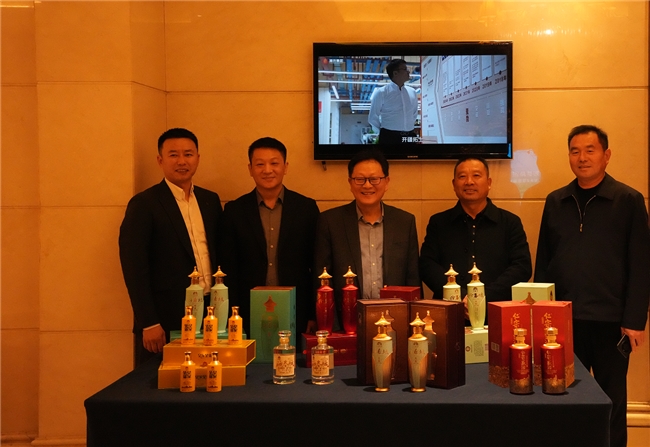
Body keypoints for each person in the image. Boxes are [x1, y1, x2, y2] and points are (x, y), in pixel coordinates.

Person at [534, 125, 650, 447]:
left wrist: (635, 320)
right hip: (565, 321)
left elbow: (641, 264)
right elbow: (543, 262)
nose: (582, 158)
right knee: (564, 397)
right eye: (575, 151)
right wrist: (542, 315)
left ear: (606, 155)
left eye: (590, 150)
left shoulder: (628, 200)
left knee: (612, 401)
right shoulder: (556, 201)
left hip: (612, 322)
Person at [119, 128, 222, 366]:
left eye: (188, 154)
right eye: (174, 155)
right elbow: (134, 267)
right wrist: (148, 322)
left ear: (198, 158)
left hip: (209, 312)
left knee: (208, 378)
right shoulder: (144, 204)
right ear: (160, 160)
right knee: (161, 383)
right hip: (165, 319)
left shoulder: (210, 201)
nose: (182, 161)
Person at [221, 137, 320, 336]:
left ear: (285, 167)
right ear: (250, 169)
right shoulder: (234, 211)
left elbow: (315, 265)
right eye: (260, 164)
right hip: (248, 310)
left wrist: (313, 313)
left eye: (274, 163)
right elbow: (228, 268)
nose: (267, 170)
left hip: (296, 309)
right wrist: (233, 314)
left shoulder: (306, 208)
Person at [315, 149, 420, 327]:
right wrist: (333, 329)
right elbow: (323, 280)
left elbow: (412, 279)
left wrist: (411, 325)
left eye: (374, 179)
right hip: (347, 324)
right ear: (350, 182)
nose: (367, 185)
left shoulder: (404, 222)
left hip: (395, 322)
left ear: (386, 182)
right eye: (360, 179)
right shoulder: (330, 222)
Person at [419, 156, 532, 311]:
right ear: (454, 184)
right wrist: (459, 297)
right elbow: (427, 265)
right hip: (449, 310)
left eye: (476, 175)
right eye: (462, 176)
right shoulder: (439, 223)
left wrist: (482, 298)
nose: (469, 182)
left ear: (489, 183)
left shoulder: (510, 222)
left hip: (497, 309)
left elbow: (522, 267)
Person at [368, 59, 419, 145]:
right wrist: (384, 132)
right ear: (395, 73)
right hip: (389, 137)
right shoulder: (382, 92)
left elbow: (413, 114)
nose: (408, 71)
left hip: (410, 135)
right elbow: (373, 117)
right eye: (405, 69)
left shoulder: (412, 92)